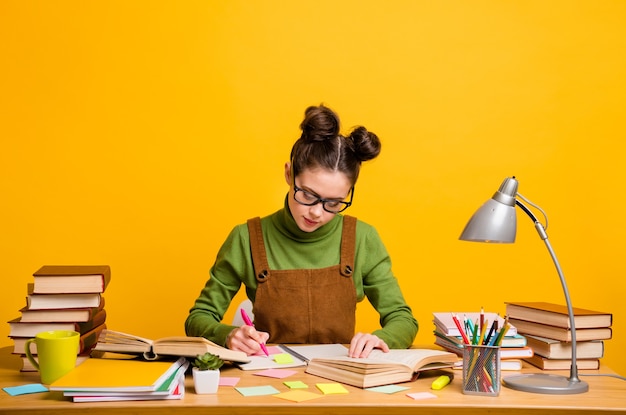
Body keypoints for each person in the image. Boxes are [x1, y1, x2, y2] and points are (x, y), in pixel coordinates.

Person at [185, 104, 418, 358]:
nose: (317, 212)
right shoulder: (245, 238)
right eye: (307, 194)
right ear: (289, 173)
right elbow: (199, 318)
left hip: (340, 379)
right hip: (268, 379)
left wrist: (379, 339)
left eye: (333, 203)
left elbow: (402, 319)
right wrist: (228, 335)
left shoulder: (363, 238)